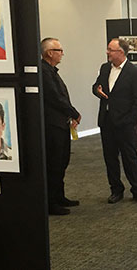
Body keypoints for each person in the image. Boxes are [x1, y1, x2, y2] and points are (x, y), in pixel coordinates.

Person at [93, 38, 137, 204]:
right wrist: (97, 91)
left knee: (130, 157)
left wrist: (129, 121)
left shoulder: (134, 72)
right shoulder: (104, 68)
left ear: (121, 53)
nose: (107, 52)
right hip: (107, 121)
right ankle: (116, 190)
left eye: (110, 49)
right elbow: (96, 87)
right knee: (110, 158)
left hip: (125, 123)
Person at [41, 37, 81, 215]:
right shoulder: (43, 71)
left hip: (61, 124)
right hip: (52, 125)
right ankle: (51, 202)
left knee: (62, 161)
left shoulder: (52, 71)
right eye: (59, 50)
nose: (62, 53)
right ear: (50, 53)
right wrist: (74, 113)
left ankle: (60, 196)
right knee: (54, 163)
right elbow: (55, 98)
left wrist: (70, 114)